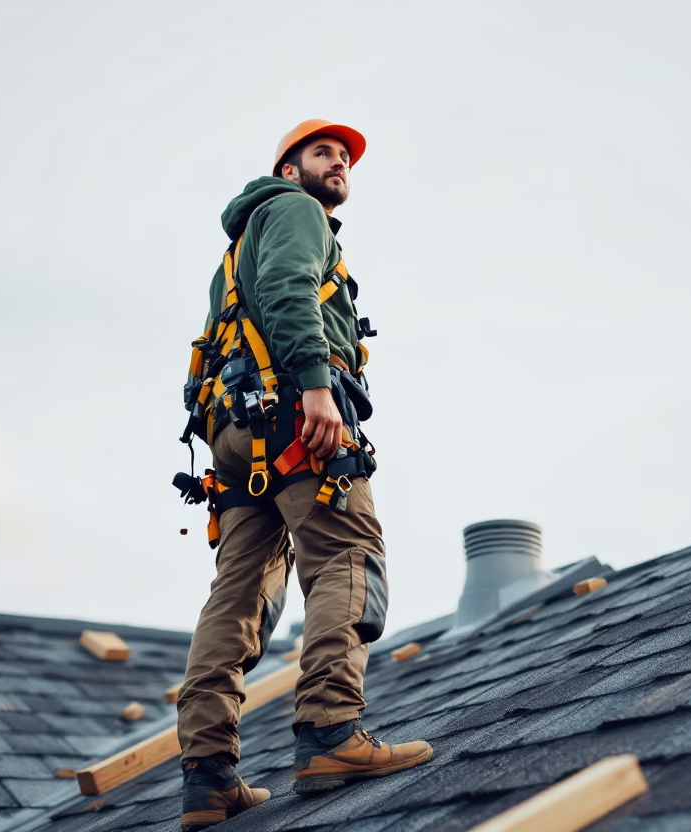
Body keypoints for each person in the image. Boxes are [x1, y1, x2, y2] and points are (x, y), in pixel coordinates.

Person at [175, 120, 434, 831]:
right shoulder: (295, 212)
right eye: (323, 152)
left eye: (346, 156)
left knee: (237, 598)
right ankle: (330, 732)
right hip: (294, 413)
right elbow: (291, 288)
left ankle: (208, 776)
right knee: (347, 557)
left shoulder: (232, 250)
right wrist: (318, 386)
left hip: (234, 431)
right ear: (289, 170)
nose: (339, 162)